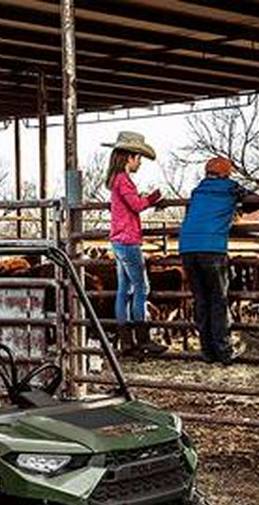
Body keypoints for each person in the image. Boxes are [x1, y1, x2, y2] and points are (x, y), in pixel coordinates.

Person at [179, 156, 259, 365]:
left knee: (201, 300)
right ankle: (224, 350)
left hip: (187, 248)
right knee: (219, 300)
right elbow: (257, 201)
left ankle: (207, 351)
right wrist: (239, 208)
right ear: (226, 174)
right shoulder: (231, 188)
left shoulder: (197, 191)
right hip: (212, 247)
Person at [103, 130, 166, 356]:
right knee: (141, 288)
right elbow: (137, 206)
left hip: (119, 240)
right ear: (129, 157)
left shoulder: (115, 181)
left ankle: (127, 341)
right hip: (128, 240)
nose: (139, 162)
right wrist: (152, 198)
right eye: (138, 158)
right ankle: (142, 339)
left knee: (125, 289)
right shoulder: (124, 180)